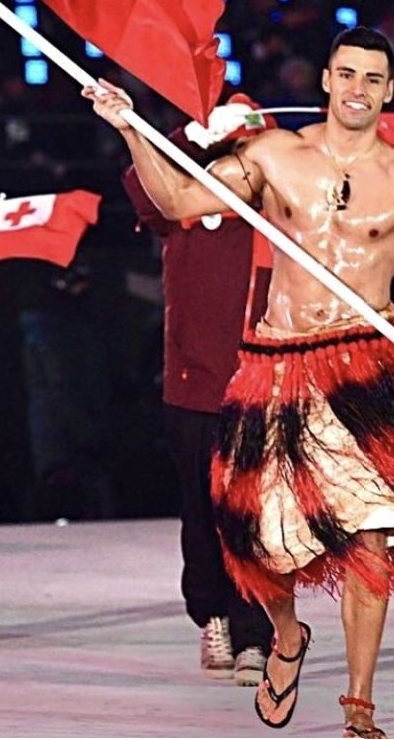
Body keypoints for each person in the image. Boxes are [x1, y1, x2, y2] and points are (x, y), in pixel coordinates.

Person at [85, 28, 394, 739]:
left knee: (371, 537)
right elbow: (180, 200)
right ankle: (286, 636)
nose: (357, 89)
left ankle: (359, 705)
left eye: (371, 78)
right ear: (325, 80)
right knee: (258, 541)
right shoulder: (273, 154)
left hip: (365, 370)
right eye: (347, 74)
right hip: (276, 363)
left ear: (389, 90)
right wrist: (129, 127)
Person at [121, 96, 274, 686]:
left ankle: (255, 636)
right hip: (189, 383)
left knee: (254, 515)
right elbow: (140, 183)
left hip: (257, 382)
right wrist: (189, 134)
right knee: (200, 512)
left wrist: (251, 128)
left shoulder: (274, 210)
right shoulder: (179, 203)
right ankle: (213, 616)